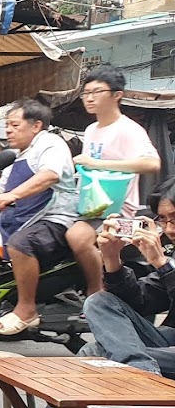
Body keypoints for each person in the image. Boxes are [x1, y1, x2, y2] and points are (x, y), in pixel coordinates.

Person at [0, 182, 175, 408]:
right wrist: (112, 260)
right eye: (163, 221)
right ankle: (138, 375)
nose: (169, 229)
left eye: (174, 220)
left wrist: (162, 264)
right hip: (163, 350)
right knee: (98, 306)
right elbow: (142, 302)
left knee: (95, 354)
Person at [0, 100, 78, 336]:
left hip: (52, 218)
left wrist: (11, 195)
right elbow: (0, 187)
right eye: (8, 125)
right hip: (20, 216)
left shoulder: (50, 144)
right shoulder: (21, 154)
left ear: (36, 126)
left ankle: (26, 309)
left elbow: (49, 176)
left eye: (14, 124)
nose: (9, 130)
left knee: (21, 244)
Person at [64, 65, 162, 296]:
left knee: (76, 236)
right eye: (86, 93)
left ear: (117, 95)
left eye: (96, 92)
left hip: (117, 210)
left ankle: (97, 292)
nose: (89, 98)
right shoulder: (90, 130)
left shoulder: (128, 129)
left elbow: (152, 163)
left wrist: (98, 163)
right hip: (90, 205)